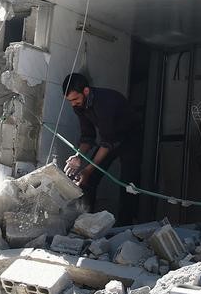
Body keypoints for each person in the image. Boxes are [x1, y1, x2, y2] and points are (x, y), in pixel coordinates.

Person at [61, 73, 144, 225]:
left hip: (130, 138)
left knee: (129, 183)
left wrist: (87, 170)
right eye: (70, 101)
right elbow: (88, 136)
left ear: (86, 91)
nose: (73, 104)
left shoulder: (105, 102)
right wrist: (78, 156)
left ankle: (126, 226)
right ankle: (85, 223)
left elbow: (107, 143)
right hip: (110, 138)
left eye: (75, 99)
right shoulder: (79, 106)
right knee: (88, 180)